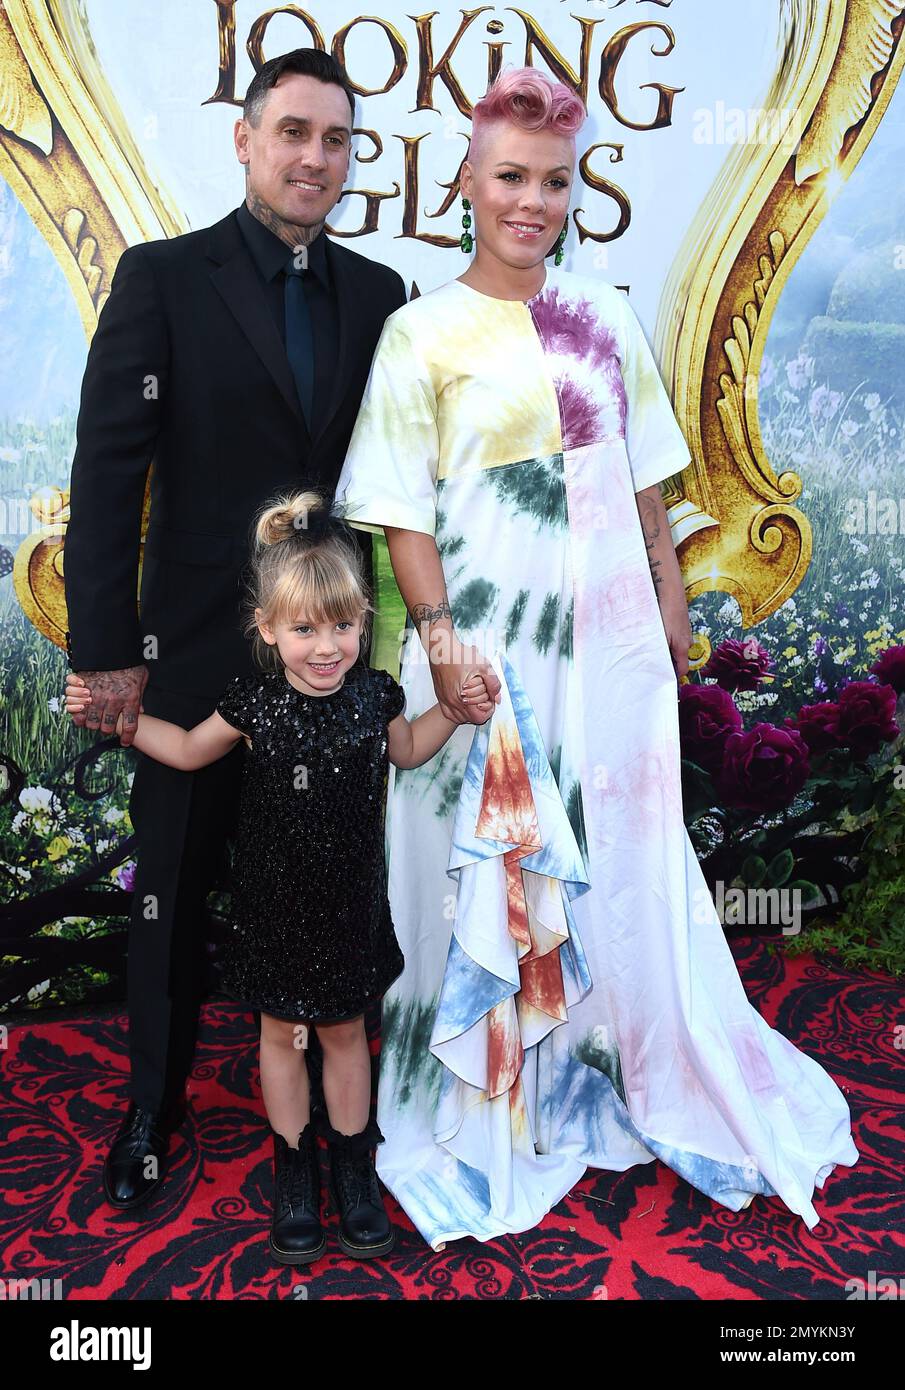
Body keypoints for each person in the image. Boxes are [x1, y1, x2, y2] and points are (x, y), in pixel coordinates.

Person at [333, 66, 859, 1247]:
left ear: (576, 191)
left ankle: (603, 1068)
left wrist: (671, 604)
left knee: (612, 857)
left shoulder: (601, 314)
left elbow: (643, 483)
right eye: (509, 176)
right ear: (466, 180)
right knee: (477, 876)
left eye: (554, 181)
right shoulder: (417, 332)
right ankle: (476, 1099)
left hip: (608, 648)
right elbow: (399, 511)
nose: (531, 200)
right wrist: (439, 645)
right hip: (479, 656)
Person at [63, 49, 406, 1209]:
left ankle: (340, 1134)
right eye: (294, 132)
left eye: (337, 140)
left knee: (332, 888)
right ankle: (148, 1118)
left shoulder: (377, 295)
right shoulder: (163, 278)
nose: (316, 157)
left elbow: (396, 484)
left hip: (331, 653)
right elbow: (108, 475)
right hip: (195, 645)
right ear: (246, 139)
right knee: (168, 890)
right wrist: (104, 654)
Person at [64, 490, 497, 1262]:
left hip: (346, 910)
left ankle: (353, 1165)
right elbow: (192, 750)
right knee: (279, 1034)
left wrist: (454, 715)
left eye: (341, 625)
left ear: (363, 622)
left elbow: (405, 752)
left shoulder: (374, 697)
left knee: (343, 1034)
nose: (325, 646)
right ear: (267, 630)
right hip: (272, 910)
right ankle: (294, 1166)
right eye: (303, 629)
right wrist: (124, 722)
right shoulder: (253, 706)